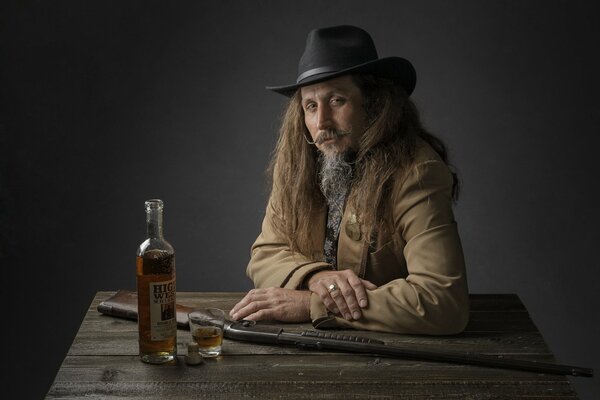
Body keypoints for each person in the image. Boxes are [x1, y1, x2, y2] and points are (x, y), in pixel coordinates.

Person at [229, 25, 469, 334]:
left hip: (393, 353)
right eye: (311, 106)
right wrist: (314, 278)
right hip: (305, 351)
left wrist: (313, 303)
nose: (321, 122)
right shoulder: (296, 164)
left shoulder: (417, 172)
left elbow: (443, 302)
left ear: (374, 103)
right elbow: (265, 254)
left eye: (337, 100)